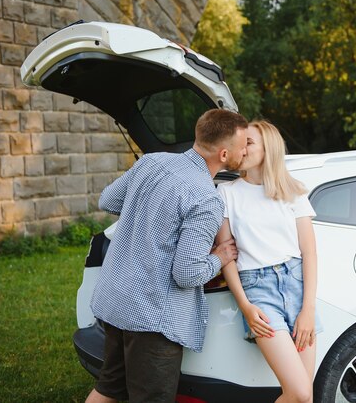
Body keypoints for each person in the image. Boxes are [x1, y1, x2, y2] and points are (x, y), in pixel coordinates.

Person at [86, 109, 249, 403]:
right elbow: (186, 273)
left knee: (109, 387)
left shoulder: (151, 161)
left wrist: (147, 210)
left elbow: (108, 199)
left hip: (115, 300)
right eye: (244, 145)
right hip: (151, 316)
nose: (246, 151)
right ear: (225, 154)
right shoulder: (205, 197)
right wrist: (220, 257)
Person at [216, 120, 322, 403]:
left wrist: (308, 310)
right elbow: (227, 256)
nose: (241, 147)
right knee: (299, 393)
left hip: (298, 287)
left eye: (249, 142)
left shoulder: (294, 192)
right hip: (259, 291)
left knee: (304, 396)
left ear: (268, 149)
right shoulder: (226, 193)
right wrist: (246, 307)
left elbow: (309, 253)